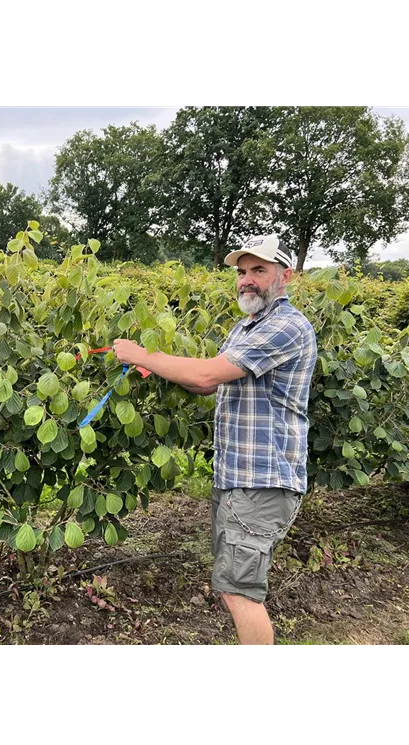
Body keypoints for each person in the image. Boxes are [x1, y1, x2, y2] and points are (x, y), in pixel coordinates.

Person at [112, 234, 317, 646]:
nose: (246, 280)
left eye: (258, 270)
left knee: (241, 593)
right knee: (230, 585)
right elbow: (207, 384)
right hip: (235, 476)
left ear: (285, 276)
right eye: (242, 272)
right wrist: (159, 366)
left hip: (262, 480)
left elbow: (206, 374)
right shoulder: (246, 327)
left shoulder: (286, 326)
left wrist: (141, 354)